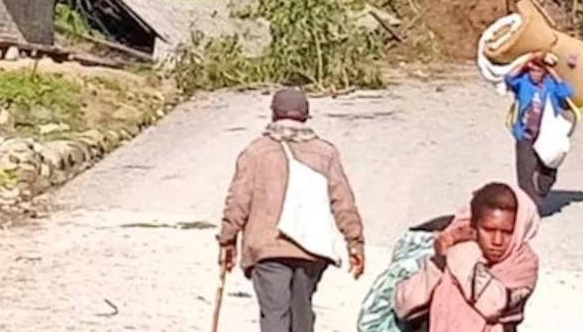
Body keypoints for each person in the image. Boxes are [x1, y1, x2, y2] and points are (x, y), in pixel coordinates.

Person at [217, 87, 365, 332]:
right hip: (311, 250)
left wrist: (227, 240)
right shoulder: (325, 153)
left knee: (275, 314)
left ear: (273, 114)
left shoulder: (255, 152)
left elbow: (238, 201)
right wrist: (355, 242)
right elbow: (343, 201)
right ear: (306, 116)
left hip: (268, 247)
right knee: (302, 314)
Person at [393, 183, 539, 332]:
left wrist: (465, 253)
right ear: (474, 227)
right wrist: (439, 262)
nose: (497, 241)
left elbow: (493, 305)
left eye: (507, 232)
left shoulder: (522, 264)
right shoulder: (450, 247)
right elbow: (404, 305)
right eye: (489, 230)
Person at [505, 52, 574, 207]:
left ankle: (540, 192)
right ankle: (530, 206)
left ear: (544, 73)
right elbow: (509, 78)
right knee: (524, 173)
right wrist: (527, 62)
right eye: (532, 71)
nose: (534, 74)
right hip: (525, 133)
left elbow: (566, 92)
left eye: (538, 71)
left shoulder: (550, 86)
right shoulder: (523, 83)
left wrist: (552, 71)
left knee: (548, 169)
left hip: (546, 135)